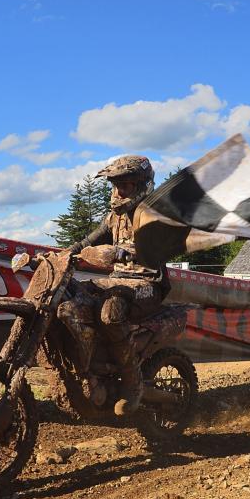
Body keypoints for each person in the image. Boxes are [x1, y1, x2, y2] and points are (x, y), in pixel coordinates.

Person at [67, 155, 171, 416]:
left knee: (110, 314)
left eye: (124, 186)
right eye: (115, 186)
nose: (118, 191)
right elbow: (88, 241)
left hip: (148, 284)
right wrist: (61, 254)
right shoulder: (114, 217)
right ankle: (95, 366)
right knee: (72, 298)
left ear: (141, 185)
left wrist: (128, 251)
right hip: (118, 281)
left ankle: (133, 384)